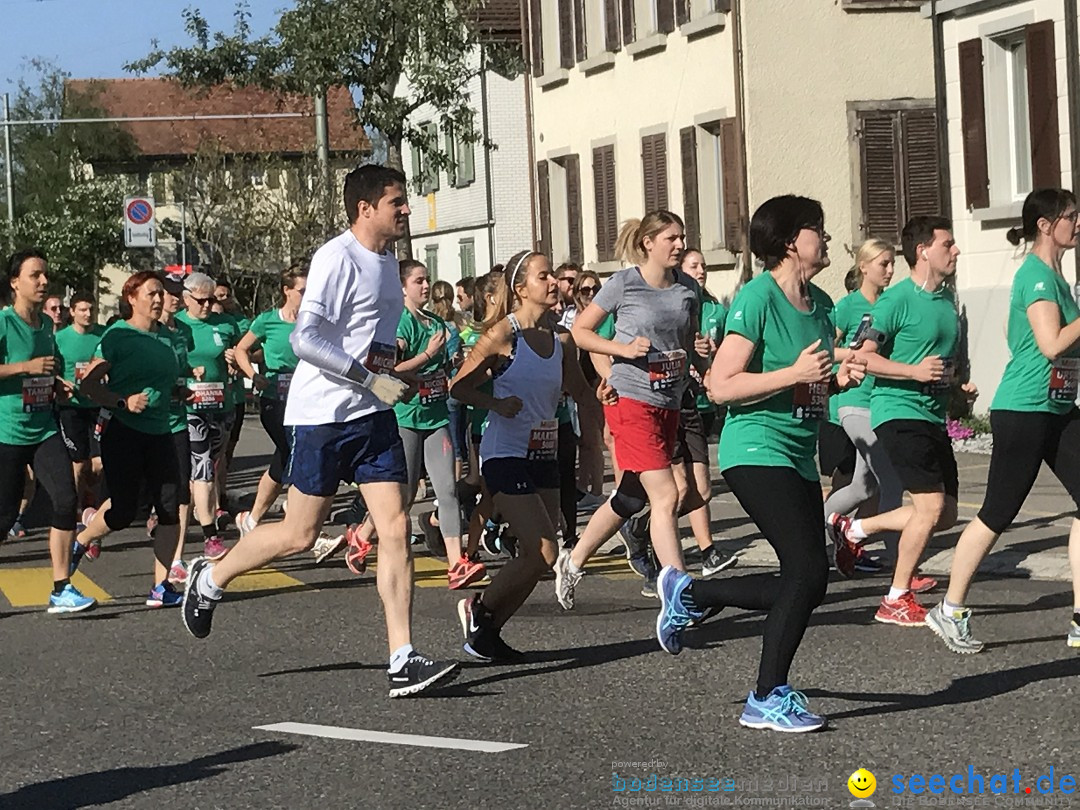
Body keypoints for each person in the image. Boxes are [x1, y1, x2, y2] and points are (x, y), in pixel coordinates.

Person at [180, 164, 459, 697]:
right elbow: (306, 340)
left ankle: (401, 656)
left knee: (395, 526)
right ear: (365, 208)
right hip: (322, 416)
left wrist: (390, 373)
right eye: (397, 201)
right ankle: (211, 577)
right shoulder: (336, 258)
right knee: (300, 533)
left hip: (371, 417)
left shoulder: (385, 263)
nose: (406, 208)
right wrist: (368, 378)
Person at [654, 195, 865, 732]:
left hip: (797, 453)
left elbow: (805, 383)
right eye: (816, 228)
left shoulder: (819, 304)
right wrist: (793, 375)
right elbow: (721, 385)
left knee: (807, 581)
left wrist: (833, 381)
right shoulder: (757, 297)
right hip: (754, 450)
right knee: (808, 571)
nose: (826, 236)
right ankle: (766, 696)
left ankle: (691, 594)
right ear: (791, 240)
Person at [927, 189, 1080, 652]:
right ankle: (949, 609)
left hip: (1058, 406)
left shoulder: (1055, 275)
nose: (1079, 223)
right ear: (1046, 224)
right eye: (1072, 216)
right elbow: (1052, 343)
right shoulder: (1035, 276)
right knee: (998, 512)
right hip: (1025, 409)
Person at [556, 211, 709, 607]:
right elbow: (581, 333)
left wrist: (705, 364)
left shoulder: (688, 288)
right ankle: (678, 591)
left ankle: (572, 561)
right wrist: (622, 350)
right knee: (667, 494)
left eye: (682, 237)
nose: (679, 245)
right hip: (631, 400)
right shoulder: (624, 283)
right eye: (671, 238)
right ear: (648, 243)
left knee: (630, 498)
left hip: (669, 401)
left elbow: (686, 341)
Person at [452, 249, 590, 659]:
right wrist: (496, 405)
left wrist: (605, 399)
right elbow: (459, 388)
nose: (554, 283)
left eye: (554, 276)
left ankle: (485, 629)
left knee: (541, 558)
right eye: (544, 276)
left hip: (543, 452)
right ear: (521, 288)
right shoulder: (502, 336)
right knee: (545, 549)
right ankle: (479, 610)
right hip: (505, 453)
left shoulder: (562, 340)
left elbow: (581, 392)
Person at [855, 216, 976, 626]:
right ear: (923, 250)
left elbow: (938, 363)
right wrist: (913, 373)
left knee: (946, 515)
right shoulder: (895, 300)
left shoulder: (944, 301)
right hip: (897, 410)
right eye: (948, 244)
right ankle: (895, 596)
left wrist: (957, 386)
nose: (955, 251)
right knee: (929, 506)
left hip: (931, 414)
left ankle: (856, 529)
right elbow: (863, 357)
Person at [345, 260, 482, 589]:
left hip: (436, 418)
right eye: (418, 281)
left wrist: (453, 362)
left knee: (448, 490)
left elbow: (446, 364)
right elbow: (389, 367)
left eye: (427, 280)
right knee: (403, 497)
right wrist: (425, 357)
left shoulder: (437, 322)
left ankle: (456, 564)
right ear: (403, 286)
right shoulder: (400, 323)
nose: (425, 286)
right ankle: (361, 536)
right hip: (405, 419)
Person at [74, 272, 185, 606]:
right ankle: (81, 540)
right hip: (124, 431)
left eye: (160, 294)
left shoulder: (168, 337)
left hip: (161, 430)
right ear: (131, 298)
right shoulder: (118, 335)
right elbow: (90, 387)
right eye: (151, 293)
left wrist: (179, 391)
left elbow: (163, 380)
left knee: (170, 508)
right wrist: (124, 401)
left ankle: (161, 587)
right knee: (123, 512)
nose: (158, 299)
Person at [0, 249, 93, 613]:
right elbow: (24, 368)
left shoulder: (44, 326)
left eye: (45, 275)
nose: (43, 282)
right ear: (14, 283)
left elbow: (42, 371)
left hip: (43, 429)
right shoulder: (5, 322)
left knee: (66, 499)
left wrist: (55, 384)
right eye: (35, 275)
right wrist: (27, 366)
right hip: (7, 432)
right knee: (5, 516)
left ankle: (61, 587)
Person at [822, 240, 904, 575]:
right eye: (883, 263)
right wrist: (857, 356)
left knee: (864, 487)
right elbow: (827, 348)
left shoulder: (893, 304)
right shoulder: (847, 306)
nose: (889, 270)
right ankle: (903, 567)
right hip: (853, 401)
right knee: (892, 482)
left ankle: (829, 533)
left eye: (892, 263)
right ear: (864, 266)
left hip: (880, 401)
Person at [676, 248, 738, 577]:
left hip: (700, 400)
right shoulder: (669, 301)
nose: (701, 271)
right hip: (666, 401)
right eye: (694, 265)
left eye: (703, 265)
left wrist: (711, 360)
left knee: (702, 488)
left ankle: (707, 551)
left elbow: (725, 349)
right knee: (677, 489)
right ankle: (647, 532)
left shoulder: (714, 307)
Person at [233, 262, 307, 535]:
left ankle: (252, 519)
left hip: (306, 400)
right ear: (286, 291)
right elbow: (242, 349)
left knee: (284, 456)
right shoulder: (268, 320)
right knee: (293, 451)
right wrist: (253, 375)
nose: (307, 295)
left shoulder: (313, 319)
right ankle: (296, 510)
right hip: (274, 398)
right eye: (301, 290)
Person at [177, 272, 241, 561]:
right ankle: (210, 536)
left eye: (211, 300)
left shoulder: (226, 324)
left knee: (208, 470)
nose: (206, 306)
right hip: (189, 409)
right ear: (186, 297)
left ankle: (170, 510)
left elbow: (248, 355)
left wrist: (236, 361)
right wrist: (186, 375)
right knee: (202, 468)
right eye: (200, 300)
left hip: (221, 407)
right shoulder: (176, 326)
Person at [54, 292, 105, 511]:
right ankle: (72, 513)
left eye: (91, 309)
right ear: (72, 312)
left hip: (98, 406)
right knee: (78, 463)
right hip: (71, 408)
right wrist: (60, 383)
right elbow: (52, 370)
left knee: (98, 465)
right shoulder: (60, 338)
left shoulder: (104, 335)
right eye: (83, 310)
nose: (88, 314)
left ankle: (90, 500)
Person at [214, 279, 251, 516]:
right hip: (205, 399)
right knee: (212, 453)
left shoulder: (239, 323)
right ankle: (213, 501)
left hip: (233, 396)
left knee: (227, 450)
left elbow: (252, 350)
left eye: (225, 296)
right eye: (216, 296)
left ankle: (221, 494)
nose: (220, 300)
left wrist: (238, 361)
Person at [430, 279, 468, 480]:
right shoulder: (460, 321)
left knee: (447, 439)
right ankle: (459, 481)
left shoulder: (431, 323)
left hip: (441, 383)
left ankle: (449, 484)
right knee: (460, 437)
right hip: (460, 380)